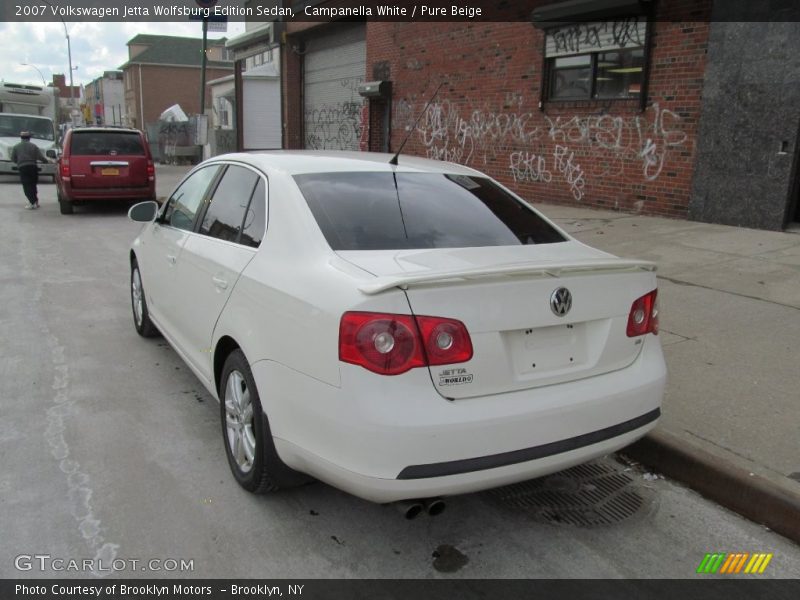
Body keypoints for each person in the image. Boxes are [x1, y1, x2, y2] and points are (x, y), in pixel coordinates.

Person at [11, 131, 47, 209]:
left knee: (26, 185)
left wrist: (19, 162)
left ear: (21, 138)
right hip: (33, 167)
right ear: (29, 138)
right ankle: (35, 201)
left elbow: (13, 158)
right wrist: (46, 161)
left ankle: (32, 202)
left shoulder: (16, 147)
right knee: (33, 184)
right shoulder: (34, 146)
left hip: (23, 167)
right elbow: (40, 157)